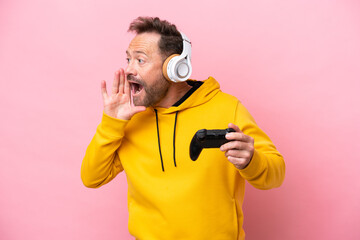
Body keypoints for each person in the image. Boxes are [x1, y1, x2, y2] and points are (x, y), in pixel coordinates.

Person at [81, 16, 285, 240]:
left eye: (140, 61)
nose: (129, 69)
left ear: (175, 68)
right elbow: (92, 178)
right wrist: (111, 123)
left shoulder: (227, 108)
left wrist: (251, 160)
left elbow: (276, 174)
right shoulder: (129, 123)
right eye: (128, 59)